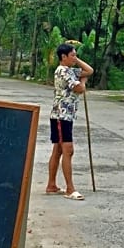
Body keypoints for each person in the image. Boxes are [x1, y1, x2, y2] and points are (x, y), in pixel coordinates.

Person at [46, 43, 94, 200]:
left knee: (58, 150)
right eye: (72, 55)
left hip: (66, 116)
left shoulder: (70, 70)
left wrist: (76, 60)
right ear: (63, 57)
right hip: (61, 116)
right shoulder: (62, 72)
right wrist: (83, 83)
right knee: (68, 150)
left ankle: (51, 185)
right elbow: (79, 88)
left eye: (75, 55)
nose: (75, 57)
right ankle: (70, 188)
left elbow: (89, 71)